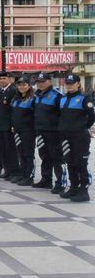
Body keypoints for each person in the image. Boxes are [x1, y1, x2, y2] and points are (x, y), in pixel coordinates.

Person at [57, 74, 94, 202]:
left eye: (72, 83)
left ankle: (84, 190)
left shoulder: (84, 98)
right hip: (65, 136)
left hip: (80, 136)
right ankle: (73, 186)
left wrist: (83, 127)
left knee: (81, 163)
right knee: (69, 161)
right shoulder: (62, 98)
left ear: (78, 84)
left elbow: (91, 116)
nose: (69, 85)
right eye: (67, 83)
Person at [33, 73, 65, 192]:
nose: (40, 83)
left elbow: (62, 114)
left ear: (49, 82)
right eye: (38, 81)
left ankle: (60, 182)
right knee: (44, 156)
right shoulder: (37, 95)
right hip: (40, 131)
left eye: (43, 81)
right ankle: (46, 180)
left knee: (57, 157)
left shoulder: (57, 96)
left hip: (54, 132)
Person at [11, 76, 36, 186]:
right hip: (17, 130)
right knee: (21, 153)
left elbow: (36, 115)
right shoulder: (16, 98)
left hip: (28, 131)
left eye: (24, 84)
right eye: (19, 85)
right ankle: (23, 174)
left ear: (29, 86)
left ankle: (29, 176)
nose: (21, 87)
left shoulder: (33, 98)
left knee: (28, 154)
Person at [0, 72, 18, 179]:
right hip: (0, 125)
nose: (2, 81)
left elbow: (13, 110)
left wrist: (13, 124)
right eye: (0, 79)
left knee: (10, 150)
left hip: (8, 126)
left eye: (4, 78)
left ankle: (14, 171)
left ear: (9, 79)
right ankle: (7, 170)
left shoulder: (13, 91)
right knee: (2, 149)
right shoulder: (0, 91)